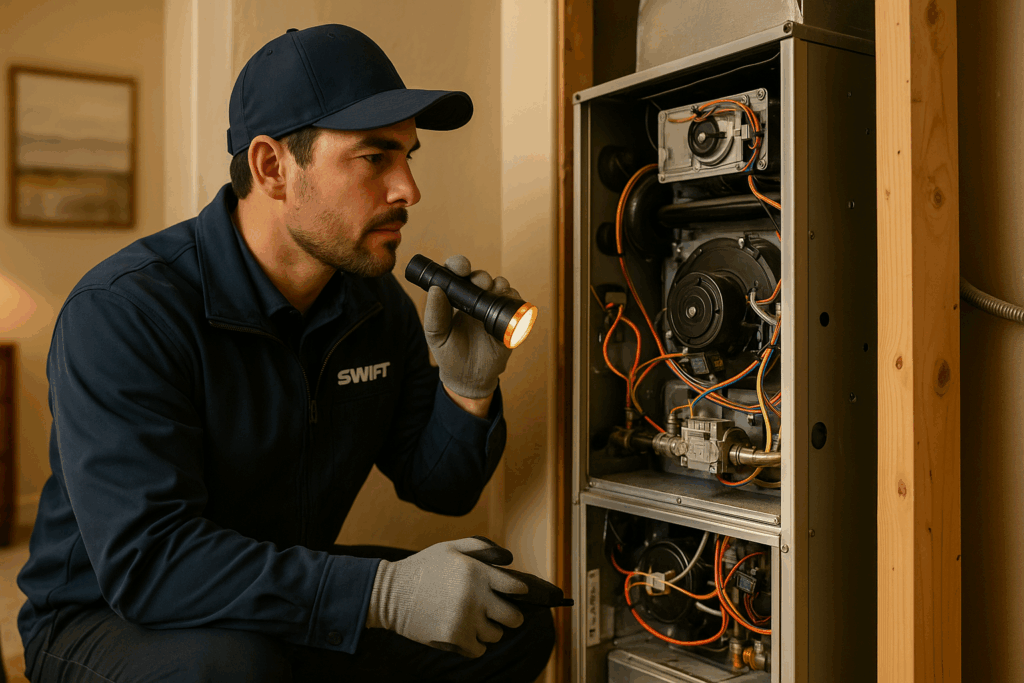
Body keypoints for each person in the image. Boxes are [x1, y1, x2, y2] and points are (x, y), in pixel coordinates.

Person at [16, 24, 555, 682]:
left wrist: (466, 390)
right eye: (376, 157)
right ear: (273, 167)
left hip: (277, 594)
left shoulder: (375, 304)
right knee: (233, 668)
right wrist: (382, 595)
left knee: (512, 615)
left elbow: (439, 485)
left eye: (410, 156)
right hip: (107, 616)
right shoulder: (124, 312)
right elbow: (148, 564)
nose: (409, 189)